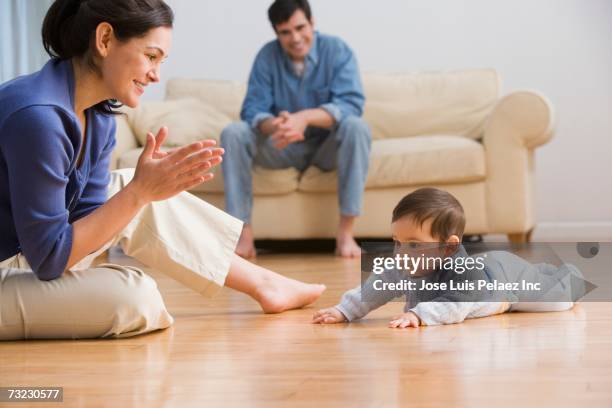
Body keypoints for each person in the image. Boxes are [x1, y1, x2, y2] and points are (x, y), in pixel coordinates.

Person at [0, 0, 325, 341]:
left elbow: (87, 218)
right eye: (151, 56)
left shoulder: (99, 116)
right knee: (137, 297)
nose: (156, 74)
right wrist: (140, 192)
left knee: (131, 189)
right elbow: (51, 259)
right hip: (13, 270)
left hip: (30, 259)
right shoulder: (37, 117)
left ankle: (263, 283)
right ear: (105, 39)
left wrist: (141, 192)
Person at [220, 0, 372, 259]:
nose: (296, 38)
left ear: (312, 23)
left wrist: (304, 118)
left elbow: (351, 104)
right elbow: (252, 110)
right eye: (285, 32)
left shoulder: (337, 50)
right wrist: (277, 124)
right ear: (277, 33)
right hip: (281, 146)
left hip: (327, 149)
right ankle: (244, 239)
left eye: (301, 27)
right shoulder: (267, 56)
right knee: (233, 133)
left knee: (357, 127)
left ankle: (345, 235)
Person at [312, 188, 583, 328]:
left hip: (503, 282)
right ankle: (543, 270)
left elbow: (456, 306)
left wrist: (419, 316)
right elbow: (376, 287)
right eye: (397, 242)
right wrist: (344, 310)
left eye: (414, 244)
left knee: (558, 300)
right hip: (491, 266)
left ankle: (570, 275)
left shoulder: (464, 272)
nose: (401, 252)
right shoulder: (405, 261)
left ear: (448, 248)